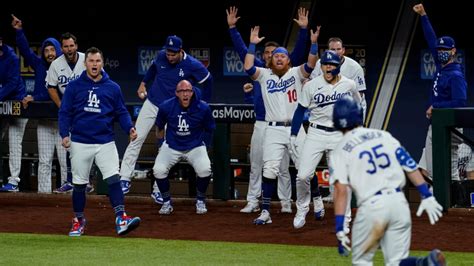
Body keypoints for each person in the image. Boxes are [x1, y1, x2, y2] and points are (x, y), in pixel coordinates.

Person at [331, 95, 446, 265]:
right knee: (396, 262)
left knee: (361, 261)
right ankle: (425, 263)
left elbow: (341, 190)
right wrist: (426, 195)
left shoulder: (340, 149)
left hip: (372, 208)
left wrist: (340, 227)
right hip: (399, 204)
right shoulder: (382, 135)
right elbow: (409, 166)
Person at [226, 6, 309, 213]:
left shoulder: (288, 73)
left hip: (284, 125)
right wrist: (233, 29)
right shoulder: (261, 72)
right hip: (262, 124)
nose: (273, 56)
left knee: (282, 169)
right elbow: (243, 53)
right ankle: (253, 201)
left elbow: (299, 52)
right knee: (257, 165)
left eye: (276, 53)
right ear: (265, 57)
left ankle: (285, 203)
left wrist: (304, 31)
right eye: (269, 53)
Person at [119, 35, 213, 205]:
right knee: (136, 136)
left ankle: (158, 190)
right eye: (168, 53)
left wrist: (202, 102)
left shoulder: (192, 64)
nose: (170, 56)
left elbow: (208, 80)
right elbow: (153, 68)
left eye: (173, 54)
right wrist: (143, 83)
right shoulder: (161, 55)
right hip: (152, 102)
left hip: (172, 109)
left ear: (181, 51)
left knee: (164, 147)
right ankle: (124, 178)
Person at [59, 47, 140, 236]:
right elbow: (64, 112)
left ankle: (121, 218)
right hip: (80, 141)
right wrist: (64, 134)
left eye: (97, 61)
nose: (94, 64)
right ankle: (78, 220)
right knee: (79, 184)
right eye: (91, 61)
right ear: (85, 63)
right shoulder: (74, 86)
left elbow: (121, 111)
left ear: (102, 63)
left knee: (114, 179)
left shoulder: (112, 87)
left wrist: (129, 128)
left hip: (105, 142)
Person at [244, 25, 318, 224]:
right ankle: (266, 212)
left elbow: (311, 64)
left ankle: (308, 205)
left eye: (282, 56)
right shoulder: (264, 75)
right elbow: (248, 66)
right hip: (273, 128)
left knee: (304, 171)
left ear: (288, 60)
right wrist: (252, 44)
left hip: (295, 128)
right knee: (269, 170)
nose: (278, 58)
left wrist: (313, 43)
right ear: (270, 59)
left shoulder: (296, 73)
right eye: (275, 55)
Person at [290, 50, 361, 229]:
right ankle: (302, 208)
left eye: (332, 65)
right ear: (321, 66)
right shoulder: (311, 85)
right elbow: (300, 111)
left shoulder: (349, 84)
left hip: (339, 134)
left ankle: (344, 220)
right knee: (303, 175)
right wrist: (293, 133)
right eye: (325, 64)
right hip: (316, 133)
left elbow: (357, 107)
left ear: (338, 66)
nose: (328, 67)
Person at [310, 36, 368, 233]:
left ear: (343, 50)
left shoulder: (354, 68)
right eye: (331, 48)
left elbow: (360, 100)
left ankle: (348, 215)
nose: (334, 51)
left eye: (338, 48)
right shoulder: (320, 65)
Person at [11, 14, 67, 193]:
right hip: (43, 121)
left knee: (65, 161)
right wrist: (19, 31)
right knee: (44, 161)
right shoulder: (39, 64)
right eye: (46, 50)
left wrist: (35, 97)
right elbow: (25, 50)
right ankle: (44, 196)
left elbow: (54, 94)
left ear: (58, 50)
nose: (50, 53)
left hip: (61, 122)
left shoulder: (65, 67)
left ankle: (69, 195)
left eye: (53, 50)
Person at [413, 3, 467, 184]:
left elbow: (459, 102)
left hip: (450, 125)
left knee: (449, 171)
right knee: (433, 170)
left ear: (453, 51)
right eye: (440, 50)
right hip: (437, 123)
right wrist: (423, 15)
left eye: (445, 50)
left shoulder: (455, 74)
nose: (441, 53)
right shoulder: (441, 65)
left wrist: (436, 107)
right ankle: (443, 207)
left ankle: (454, 208)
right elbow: (431, 39)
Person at [152, 80, 215, 215]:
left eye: (188, 91)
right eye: (181, 91)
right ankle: (166, 202)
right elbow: (159, 126)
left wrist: (206, 146)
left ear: (192, 92)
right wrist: (160, 144)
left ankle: (200, 200)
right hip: (172, 145)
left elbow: (210, 128)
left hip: (194, 146)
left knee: (205, 169)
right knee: (158, 170)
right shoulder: (166, 106)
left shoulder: (202, 107)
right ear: (176, 93)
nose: (185, 94)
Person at [46, 32, 94, 193]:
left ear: (76, 46)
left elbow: (99, 77)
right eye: (65, 46)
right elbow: (51, 87)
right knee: (69, 146)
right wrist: (62, 105)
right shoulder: (56, 64)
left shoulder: (86, 59)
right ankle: (70, 181)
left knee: (87, 144)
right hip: (69, 111)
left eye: (71, 45)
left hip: (87, 109)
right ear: (62, 48)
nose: (69, 49)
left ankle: (86, 181)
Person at [0, 35, 27, 192]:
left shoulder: (11, 57)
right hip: (3, 102)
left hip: (16, 102)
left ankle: (14, 181)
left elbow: (12, 83)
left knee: (14, 142)